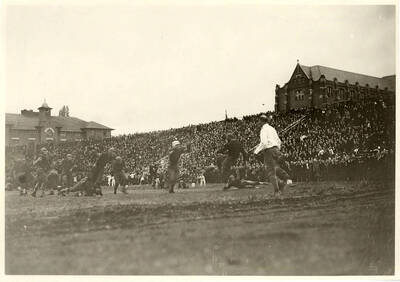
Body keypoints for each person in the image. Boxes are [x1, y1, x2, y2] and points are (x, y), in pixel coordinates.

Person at [254, 114, 293, 196]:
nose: (258, 123)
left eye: (259, 121)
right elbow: (279, 141)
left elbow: (264, 143)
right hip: (276, 149)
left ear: (261, 121)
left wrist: (256, 151)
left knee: (271, 172)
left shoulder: (263, 130)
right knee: (276, 168)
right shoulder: (272, 129)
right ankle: (283, 180)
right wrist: (277, 149)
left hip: (269, 150)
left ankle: (277, 191)